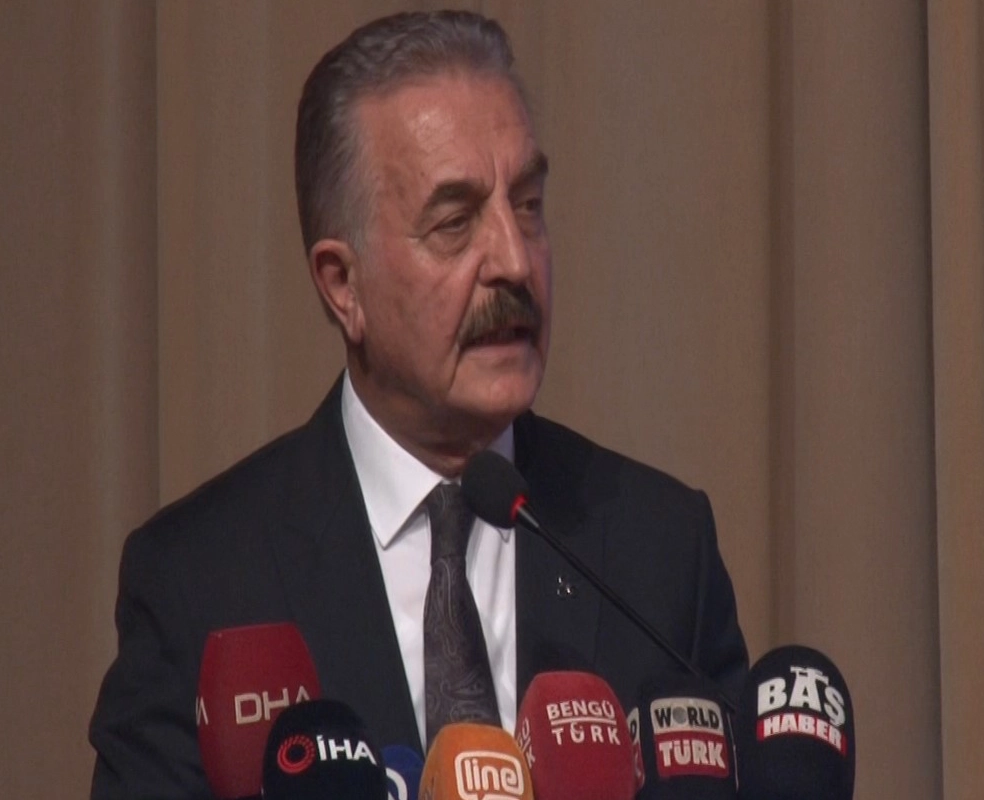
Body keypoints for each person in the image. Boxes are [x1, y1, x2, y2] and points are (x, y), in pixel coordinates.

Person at [89, 10, 747, 798]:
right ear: (343, 286)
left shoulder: (658, 551)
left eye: (528, 204)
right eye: (456, 222)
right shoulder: (201, 583)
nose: (514, 261)